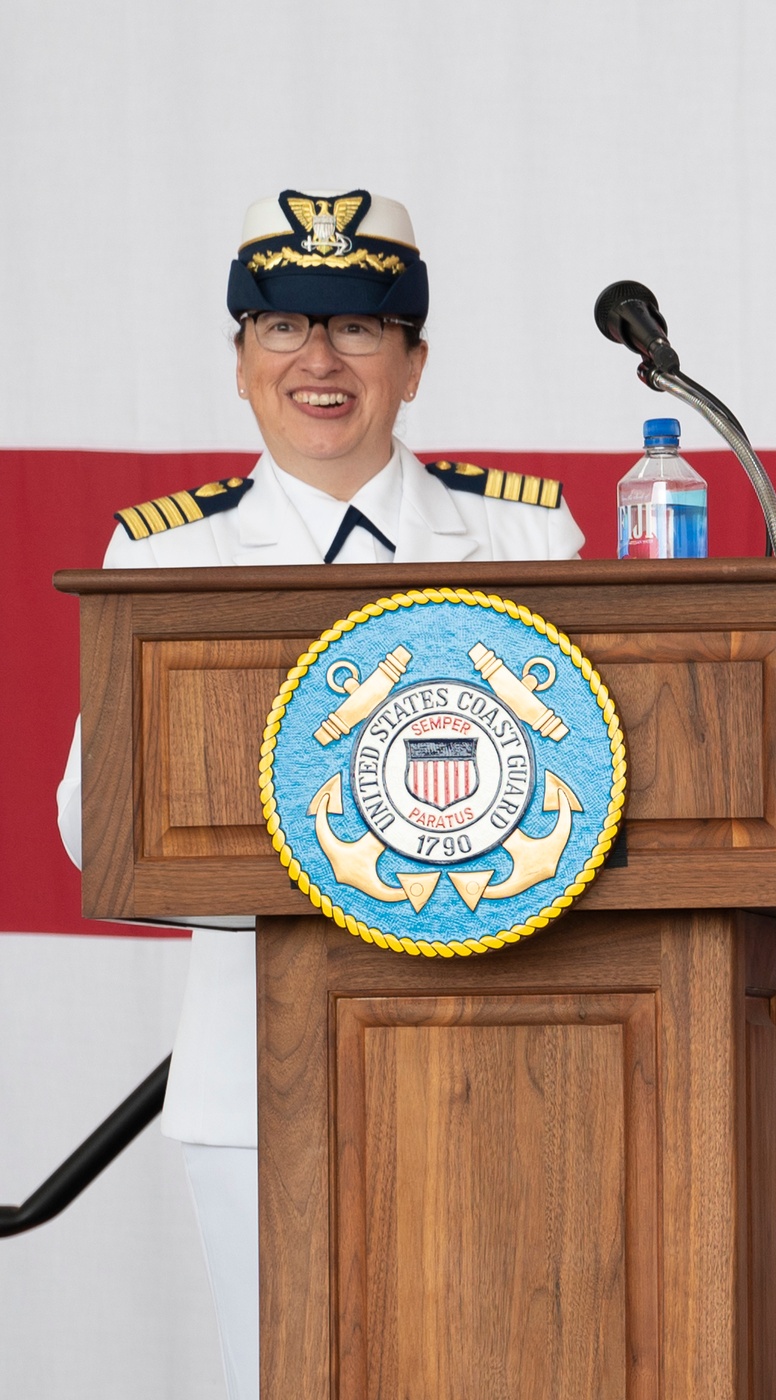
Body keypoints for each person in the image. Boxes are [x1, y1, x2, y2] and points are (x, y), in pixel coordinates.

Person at [56, 187, 584, 1400]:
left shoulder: (521, 540)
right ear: (240, 361)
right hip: (259, 1068)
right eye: (283, 325)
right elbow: (97, 827)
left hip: (502, 1049)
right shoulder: (163, 555)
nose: (319, 360)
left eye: (356, 327)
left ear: (413, 363)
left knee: (502, 1370)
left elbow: (583, 794)